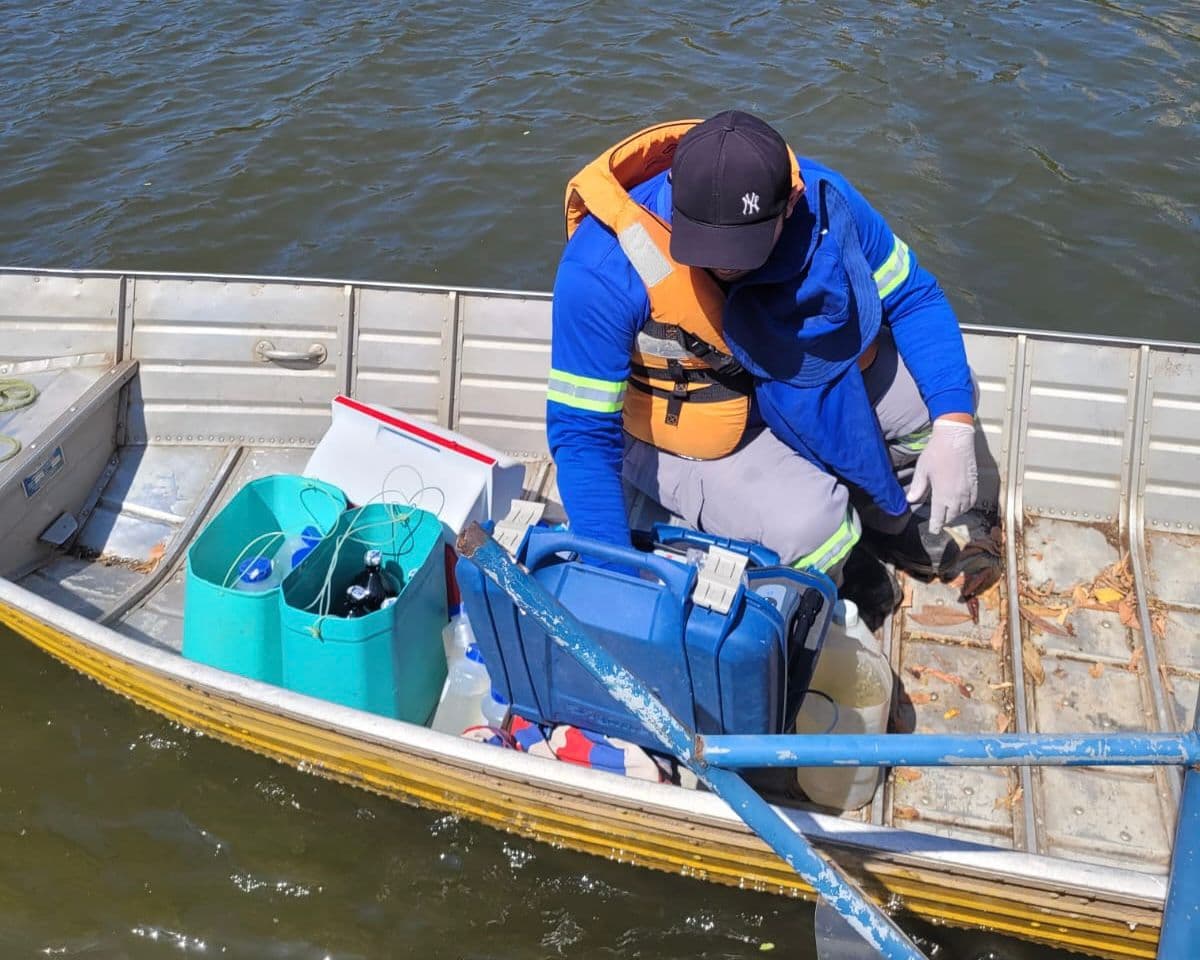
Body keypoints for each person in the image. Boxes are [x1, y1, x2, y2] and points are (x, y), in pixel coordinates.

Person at [546, 110, 979, 589]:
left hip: (794, 382)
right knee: (816, 528)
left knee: (938, 401)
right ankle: (837, 561)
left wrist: (954, 425)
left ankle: (885, 521)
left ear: (790, 204)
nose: (720, 263)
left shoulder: (825, 202)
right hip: (687, 425)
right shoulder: (599, 267)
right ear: (673, 188)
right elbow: (582, 435)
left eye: (740, 249)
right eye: (702, 243)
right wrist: (613, 577)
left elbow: (915, 297)